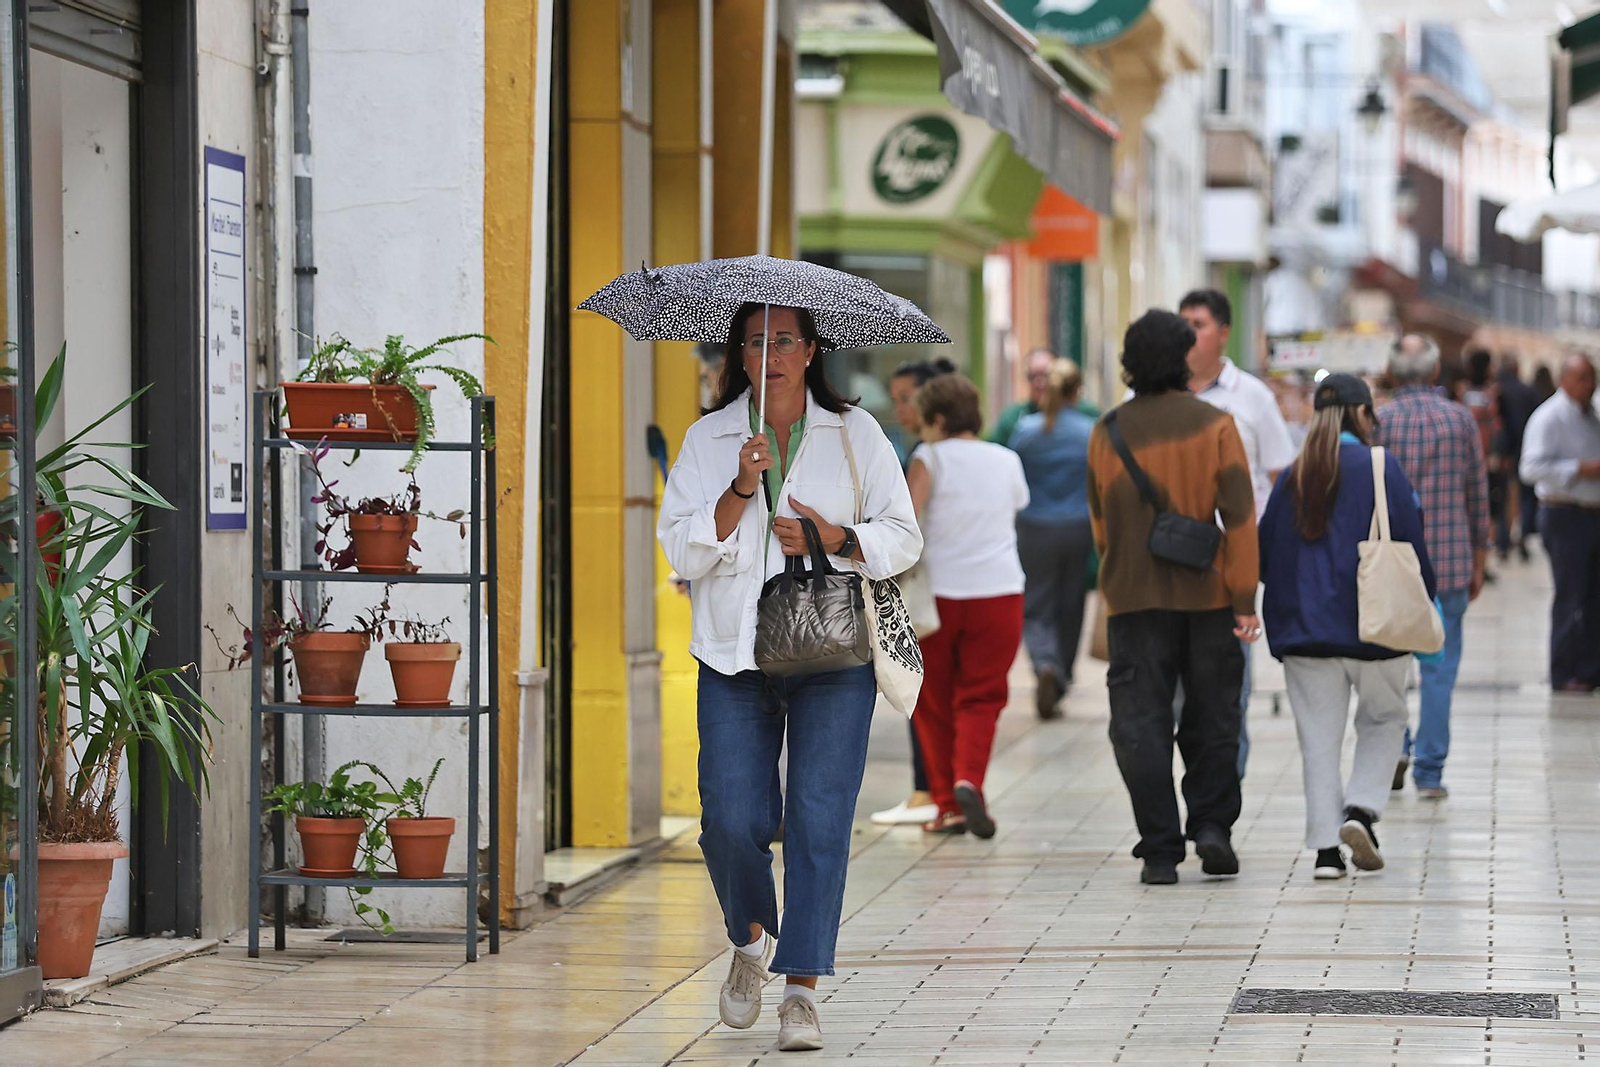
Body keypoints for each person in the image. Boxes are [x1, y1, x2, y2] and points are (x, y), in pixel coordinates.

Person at [657, 302, 922, 1052]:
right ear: (739, 355)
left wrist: (832, 536)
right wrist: (740, 489)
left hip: (831, 656)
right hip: (734, 655)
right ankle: (749, 939)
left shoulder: (855, 434)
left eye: (783, 340)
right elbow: (682, 550)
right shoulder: (708, 439)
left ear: (810, 351)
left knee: (818, 815)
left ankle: (801, 987)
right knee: (730, 820)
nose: (769, 352)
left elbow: (904, 536)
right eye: (754, 341)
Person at [1087, 309, 1261, 886]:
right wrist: (1243, 598)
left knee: (1139, 722)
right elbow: (1239, 517)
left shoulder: (1107, 430)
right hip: (1209, 594)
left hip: (1133, 599)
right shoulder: (1215, 424)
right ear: (1183, 357)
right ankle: (1211, 826)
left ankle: (1160, 847)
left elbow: (1101, 526)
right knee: (1214, 714)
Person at [1260, 374, 1437, 881]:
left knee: (1318, 739)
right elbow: (1410, 541)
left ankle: (1324, 854)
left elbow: (1266, 552)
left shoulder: (1294, 474)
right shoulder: (1381, 467)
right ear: (1363, 414)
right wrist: (1426, 595)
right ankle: (1359, 811)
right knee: (1384, 718)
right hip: (1376, 625)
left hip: (1305, 629)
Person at [1177, 289, 1297, 780]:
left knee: (1228, 686)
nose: (1189, 331)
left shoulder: (1252, 397)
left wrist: (1260, 549)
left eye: (1199, 323)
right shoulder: (1153, 394)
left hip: (1229, 562)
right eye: (1182, 322)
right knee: (1174, 692)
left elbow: (1280, 475)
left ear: (1224, 332)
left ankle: (1221, 798)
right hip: (1168, 562)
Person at [908, 373, 1029, 838]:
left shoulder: (929, 457)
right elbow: (1016, 506)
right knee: (983, 695)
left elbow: (906, 517)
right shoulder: (1007, 459)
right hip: (999, 592)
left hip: (937, 597)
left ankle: (947, 804)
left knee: (933, 700)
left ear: (937, 419)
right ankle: (968, 781)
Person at [1379, 334, 1490, 800]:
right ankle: (1429, 771)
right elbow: (1477, 493)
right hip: (1449, 562)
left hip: (1391, 565)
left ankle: (1394, 747)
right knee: (1440, 669)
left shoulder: (1379, 422)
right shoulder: (1461, 420)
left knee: (1389, 666)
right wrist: (1480, 557)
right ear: (1433, 371)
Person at [870, 357, 954, 828]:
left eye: (908, 399)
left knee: (922, 689)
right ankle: (939, 788)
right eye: (896, 398)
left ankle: (930, 789)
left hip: (926, 591)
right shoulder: (922, 450)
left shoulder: (925, 456)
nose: (900, 409)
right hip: (957, 588)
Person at [1010, 359, 1095, 720]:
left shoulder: (1027, 430)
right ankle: (1060, 674)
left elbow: (1014, 475)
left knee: (1037, 604)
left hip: (1035, 528)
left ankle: (1045, 662)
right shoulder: (1091, 432)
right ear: (1078, 391)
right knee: (1071, 603)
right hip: (1078, 527)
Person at [1519, 353, 1600, 693]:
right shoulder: (1549, 418)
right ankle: (1563, 670)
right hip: (1564, 514)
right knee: (1570, 594)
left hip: (1592, 513)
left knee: (1593, 597)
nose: (1588, 385)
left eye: (1591, 378)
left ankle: (1589, 669)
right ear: (1564, 379)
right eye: (1582, 378)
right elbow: (1530, 469)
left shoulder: (1592, 415)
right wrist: (1577, 469)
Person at [990, 346, 1100, 447]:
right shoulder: (1013, 417)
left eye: (1046, 375)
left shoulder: (1086, 413)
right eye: (1033, 376)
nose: (1039, 382)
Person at [1494, 355, 1541, 560]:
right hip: (1525, 449)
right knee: (1525, 497)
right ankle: (1522, 535)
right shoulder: (1527, 391)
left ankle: (1503, 541)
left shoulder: (1495, 391)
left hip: (1503, 452)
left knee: (1502, 496)